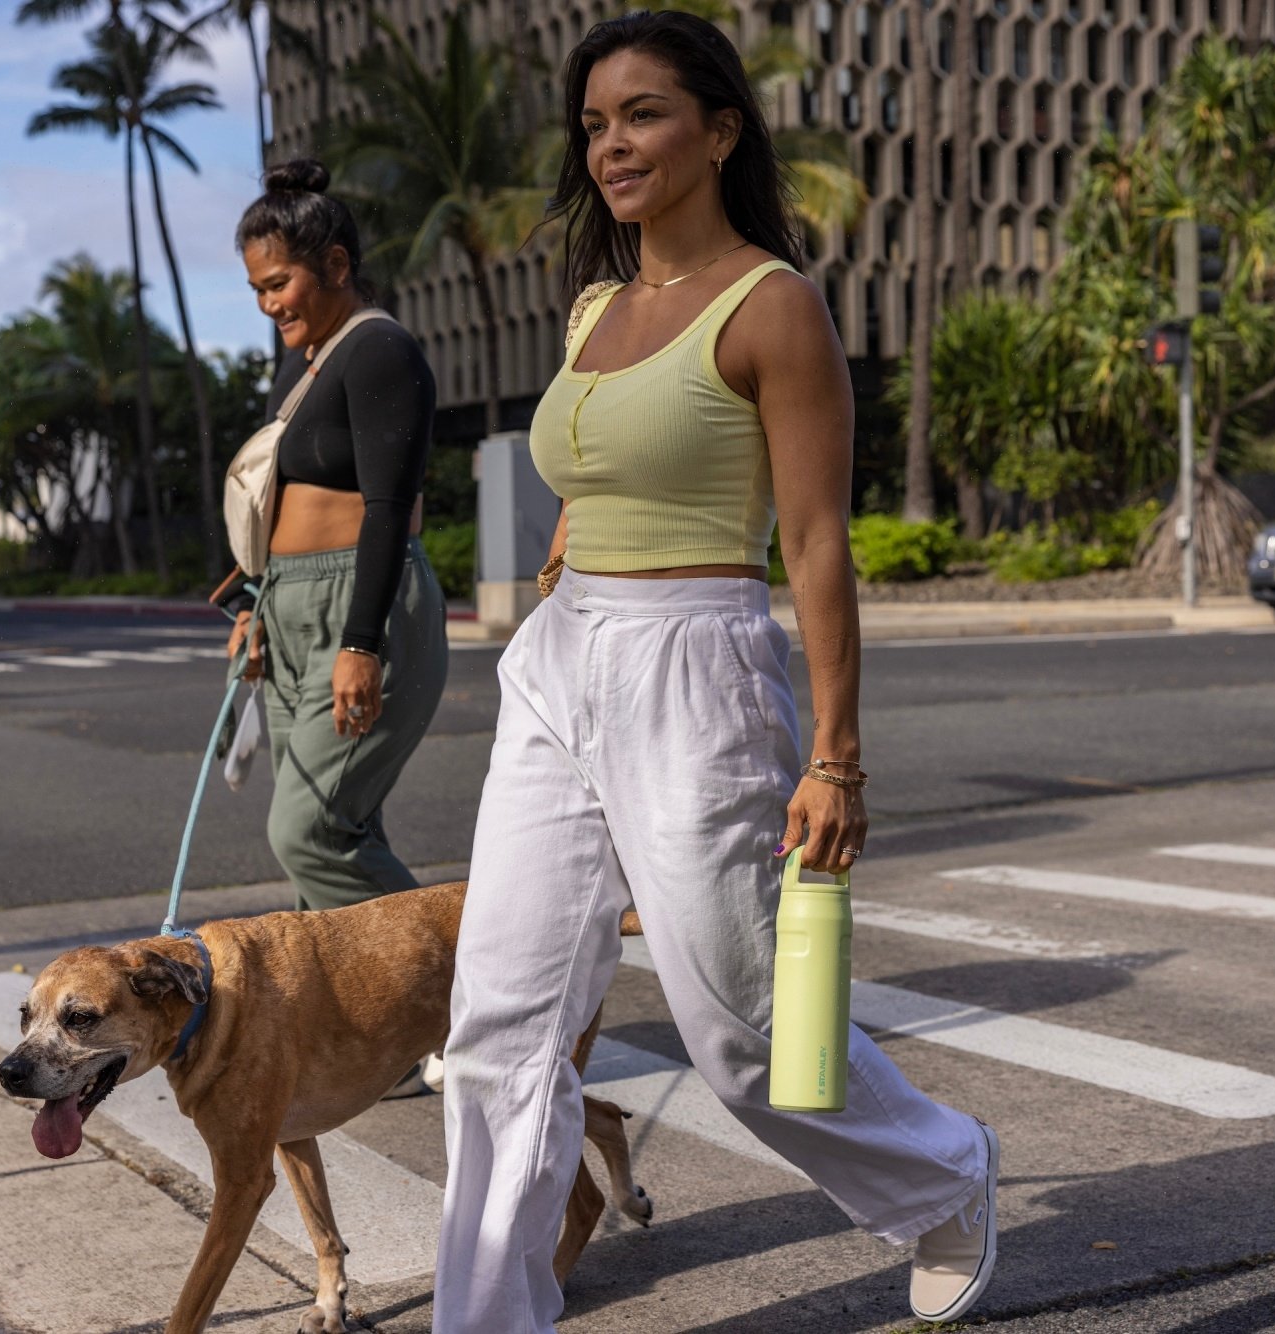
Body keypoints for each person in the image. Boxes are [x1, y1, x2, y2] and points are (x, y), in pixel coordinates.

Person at [434, 13, 998, 1330]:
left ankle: (943, 1177)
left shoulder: (773, 305)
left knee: (743, 1036)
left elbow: (812, 542)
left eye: (641, 114)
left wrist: (837, 755)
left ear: (719, 130)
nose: (610, 144)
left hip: (701, 670)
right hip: (559, 660)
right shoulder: (595, 304)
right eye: (592, 123)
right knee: (497, 1031)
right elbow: (605, 460)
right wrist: (582, 535)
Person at [229, 160, 450, 984]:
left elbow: (388, 508)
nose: (268, 303)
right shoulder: (304, 361)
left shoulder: (379, 351)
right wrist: (255, 609)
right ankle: (376, 1031)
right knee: (336, 842)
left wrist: (362, 643)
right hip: (289, 611)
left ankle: (471, 997)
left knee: (311, 833)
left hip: (362, 606)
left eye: (279, 282)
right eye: (256, 289)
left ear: (336, 265)